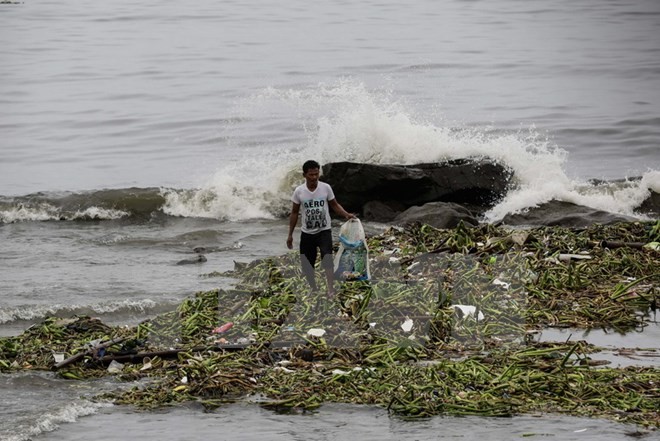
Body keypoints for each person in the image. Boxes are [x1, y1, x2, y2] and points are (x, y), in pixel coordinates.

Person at [286, 160, 355, 295]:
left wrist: (347, 215)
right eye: (311, 175)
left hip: (324, 231)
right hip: (307, 233)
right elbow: (294, 213)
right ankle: (313, 288)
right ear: (304, 175)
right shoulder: (299, 191)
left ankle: (330, 288)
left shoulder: (326, 188)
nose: (314, 178)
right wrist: (290, 235)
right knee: (307, 264)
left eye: (316, 174)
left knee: (327, 258)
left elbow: (334, 205)